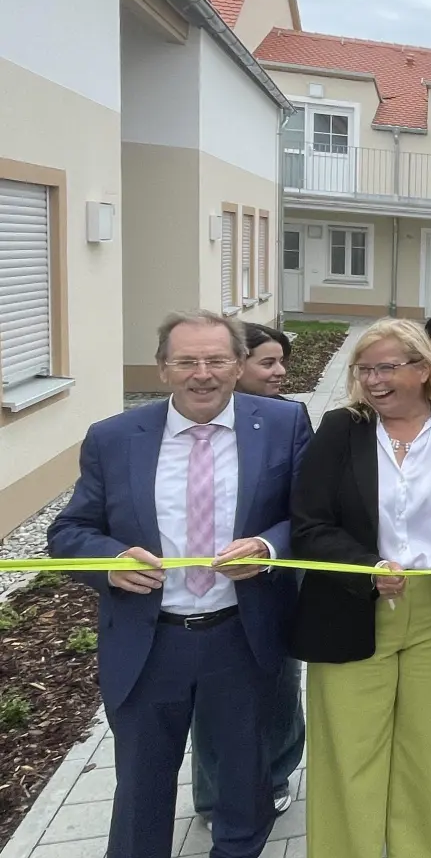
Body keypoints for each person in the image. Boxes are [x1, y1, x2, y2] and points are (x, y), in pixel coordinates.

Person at [49, 310, 311, 858]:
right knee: (141, 794)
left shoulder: (283, 425)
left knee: (244, 787)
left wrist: (267, 550)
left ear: (240, 365)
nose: (203, 373)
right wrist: (108, 560)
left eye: (217, 359)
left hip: (241, 637)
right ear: (162, 368)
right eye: (186, 360)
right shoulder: (114, 438)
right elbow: (69, 531)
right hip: (149, 643)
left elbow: (309, 519)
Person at [290, 317, 431, 858]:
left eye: (386, 367)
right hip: (353, 609)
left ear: (422, 369)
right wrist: (365, 566)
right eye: (365, 370)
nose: (374, 381)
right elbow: (309, 523)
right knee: (350, 757)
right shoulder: (341, 429)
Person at [189, 322, 308, 831]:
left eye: (282, 361)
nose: (279, 371)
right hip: (197, 600)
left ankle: (276, 774)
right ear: (237, 368)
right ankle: (215, 797)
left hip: (271, 585)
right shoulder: (185, 430)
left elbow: (307, 505)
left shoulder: (291, 418)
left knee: (279, 687)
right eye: (268, 362)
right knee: (212, 704)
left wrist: (269, 546)